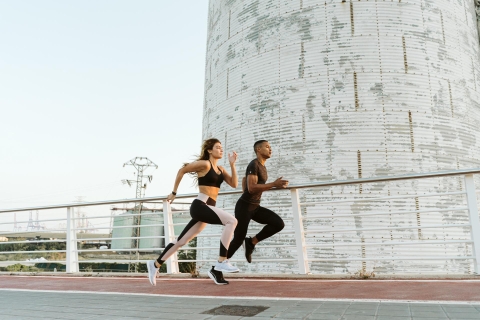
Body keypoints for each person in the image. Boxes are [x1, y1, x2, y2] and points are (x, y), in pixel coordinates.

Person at [146, 138, 239, 286]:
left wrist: (232, 165)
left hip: (208, 208)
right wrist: (174, 192)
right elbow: (182, 170)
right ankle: (222, 261)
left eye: (221, 148)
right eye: (217, 147)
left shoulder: (221, 169)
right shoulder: (205, 164)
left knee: (181, 241)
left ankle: (155, 264)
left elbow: (234, 184)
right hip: (200, 205)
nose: (221, 150)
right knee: (232, 221)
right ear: (209, 150)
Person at [226, 140, 288, 265]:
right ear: (258, 149)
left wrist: (274, 185)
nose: (270, 149)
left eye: (270, 147)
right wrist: (274, 184)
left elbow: (245, 181)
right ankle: (218, 265)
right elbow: (252, 187)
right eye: (267, 147)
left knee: (278, 223)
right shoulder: (254, 164)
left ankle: (251, 242)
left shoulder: (263, 167)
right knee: (238, 239)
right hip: (244, 207)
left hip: (255, 207)